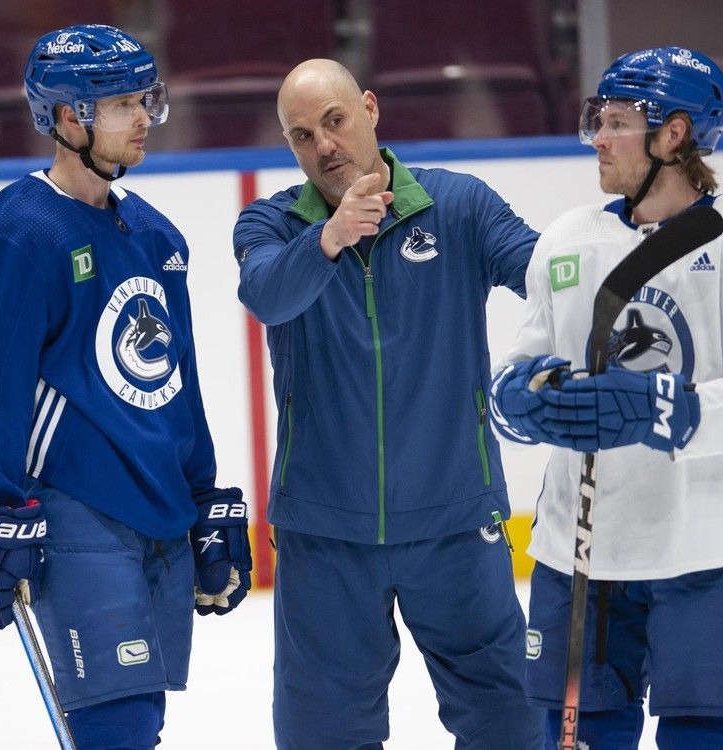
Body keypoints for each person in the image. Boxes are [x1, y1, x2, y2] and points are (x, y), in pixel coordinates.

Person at [489, 47, 723, 749]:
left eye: (616, 122)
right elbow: (519, 368)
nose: (597, 138)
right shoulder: (568, 238)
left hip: (712, 551)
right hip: (578, 555)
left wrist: (661, 409)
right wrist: (519, 402)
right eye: (597, 119)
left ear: (674, 134)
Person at [0, 24, 251, 749]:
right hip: (76, 508)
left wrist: (202, 496)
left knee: (147, 716)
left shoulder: (156, 237)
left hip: (159, 506)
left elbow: (175, 385)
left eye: (146, 99)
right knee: (120, 721)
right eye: (122, 104)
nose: (143, 117)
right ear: (68, 117)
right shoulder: (21, 231)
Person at [233, 58, 545, 749]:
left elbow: (548, 278)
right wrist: (329, 237)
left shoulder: (459, 206)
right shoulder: (272, 223)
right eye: (303, 135)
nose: (324, 146)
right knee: (323, 737)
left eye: (335, 121)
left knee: (508, 725)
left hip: (456, 521)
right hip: (325, 534)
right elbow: (266, 296)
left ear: (370, 109)